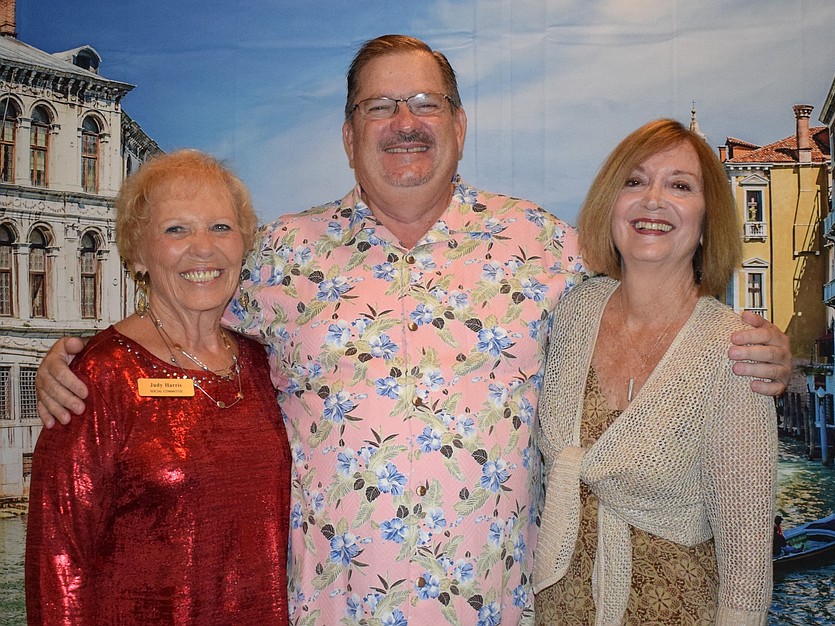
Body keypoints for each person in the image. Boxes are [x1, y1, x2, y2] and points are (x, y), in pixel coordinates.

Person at [35, 36, 791, 625]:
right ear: (347, 132)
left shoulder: (543, 244)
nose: (405, 124)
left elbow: (652, 287)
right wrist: (79, 359)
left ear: (459, 125)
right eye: (380, 107)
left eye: (426, 103)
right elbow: (182, 304)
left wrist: (762, 347)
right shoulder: (281, 256)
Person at [25, 150, 291, 624]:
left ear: (243, 245)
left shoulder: (263, 365)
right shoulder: (99, 376)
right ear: (138, 253)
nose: (203, 248)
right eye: (176, 230)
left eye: (221, 227)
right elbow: (58, 560)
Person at [532, 119, 777, 625]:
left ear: (709, 219)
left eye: (680, 185)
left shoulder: (734, 350)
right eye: (635, 181)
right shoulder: (573, 313)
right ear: (610, 203)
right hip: (557, 606)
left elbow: (748, 561)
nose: (653, 201)